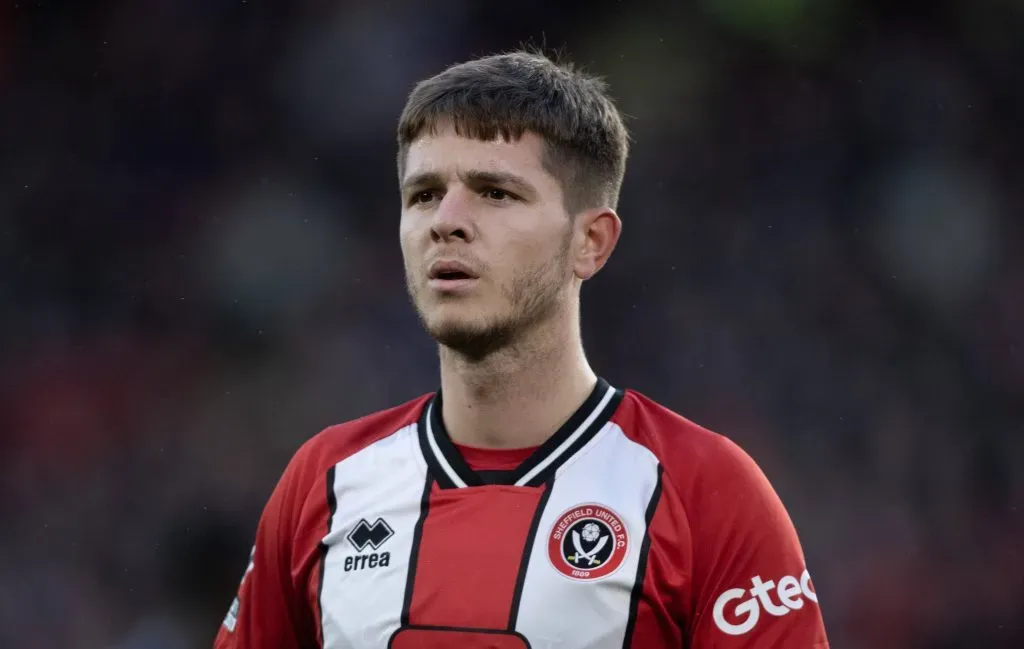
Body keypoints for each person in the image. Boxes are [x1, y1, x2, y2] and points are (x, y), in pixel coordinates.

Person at [214, 49, 830, 649]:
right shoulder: (325, 482)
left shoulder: (705, 493)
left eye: (495, 192)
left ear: (590, 242)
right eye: (423, 194)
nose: (446, 221)